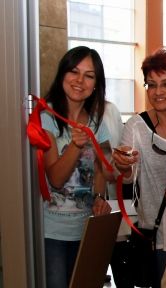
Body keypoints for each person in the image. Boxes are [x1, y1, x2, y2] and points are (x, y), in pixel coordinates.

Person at [111, 49, 166, 288]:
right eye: (151, 85)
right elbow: (127, 179)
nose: (157, 92)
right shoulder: (137, 126)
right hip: (158, 236)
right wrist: (124, 166)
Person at [41, 46, 112, 288]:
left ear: (96, 83)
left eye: (89, 75)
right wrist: (74, 145)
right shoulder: (46, 117)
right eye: (74, 71)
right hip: (52, 232)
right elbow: (56, 179)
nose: (80, 80)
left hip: (86, 229)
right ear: (62, 74)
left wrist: (101, 196)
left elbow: (104, 166)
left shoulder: (96, 121)